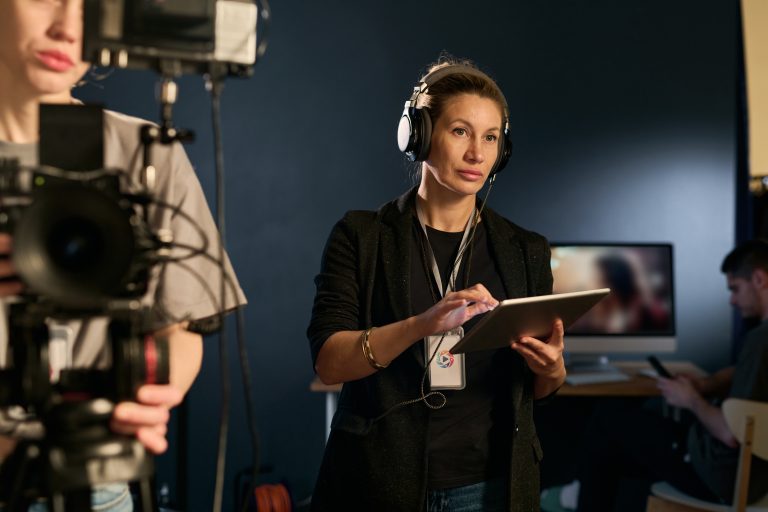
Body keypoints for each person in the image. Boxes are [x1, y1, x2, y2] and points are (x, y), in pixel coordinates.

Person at [0, 0, 246, 510]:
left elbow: (178, 329)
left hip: (96, 482)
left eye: (92, 6)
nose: (68, 28)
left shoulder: (145, 152)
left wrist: (154, 394)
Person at [306, 56, 566, 512]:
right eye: (460, 131)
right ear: (419, 136)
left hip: (489, 489)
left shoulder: (526, 249)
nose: (477, 155)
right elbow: (330, 364)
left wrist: (551, 370)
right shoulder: (361, 236)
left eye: (490, 138)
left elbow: (539, 389)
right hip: (374, 482)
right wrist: (420, 325)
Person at [541, 239, 768, 512]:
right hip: (757, 476)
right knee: (616, 442)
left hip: (728, 478)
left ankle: (579, 497)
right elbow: (753, 379)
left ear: (758, 279)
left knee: (608, 419)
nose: (732, 300)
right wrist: (710, 383)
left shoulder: (760, 340)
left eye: (735, 289)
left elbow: (732, 435)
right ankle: (581, 493)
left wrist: (692, 399)